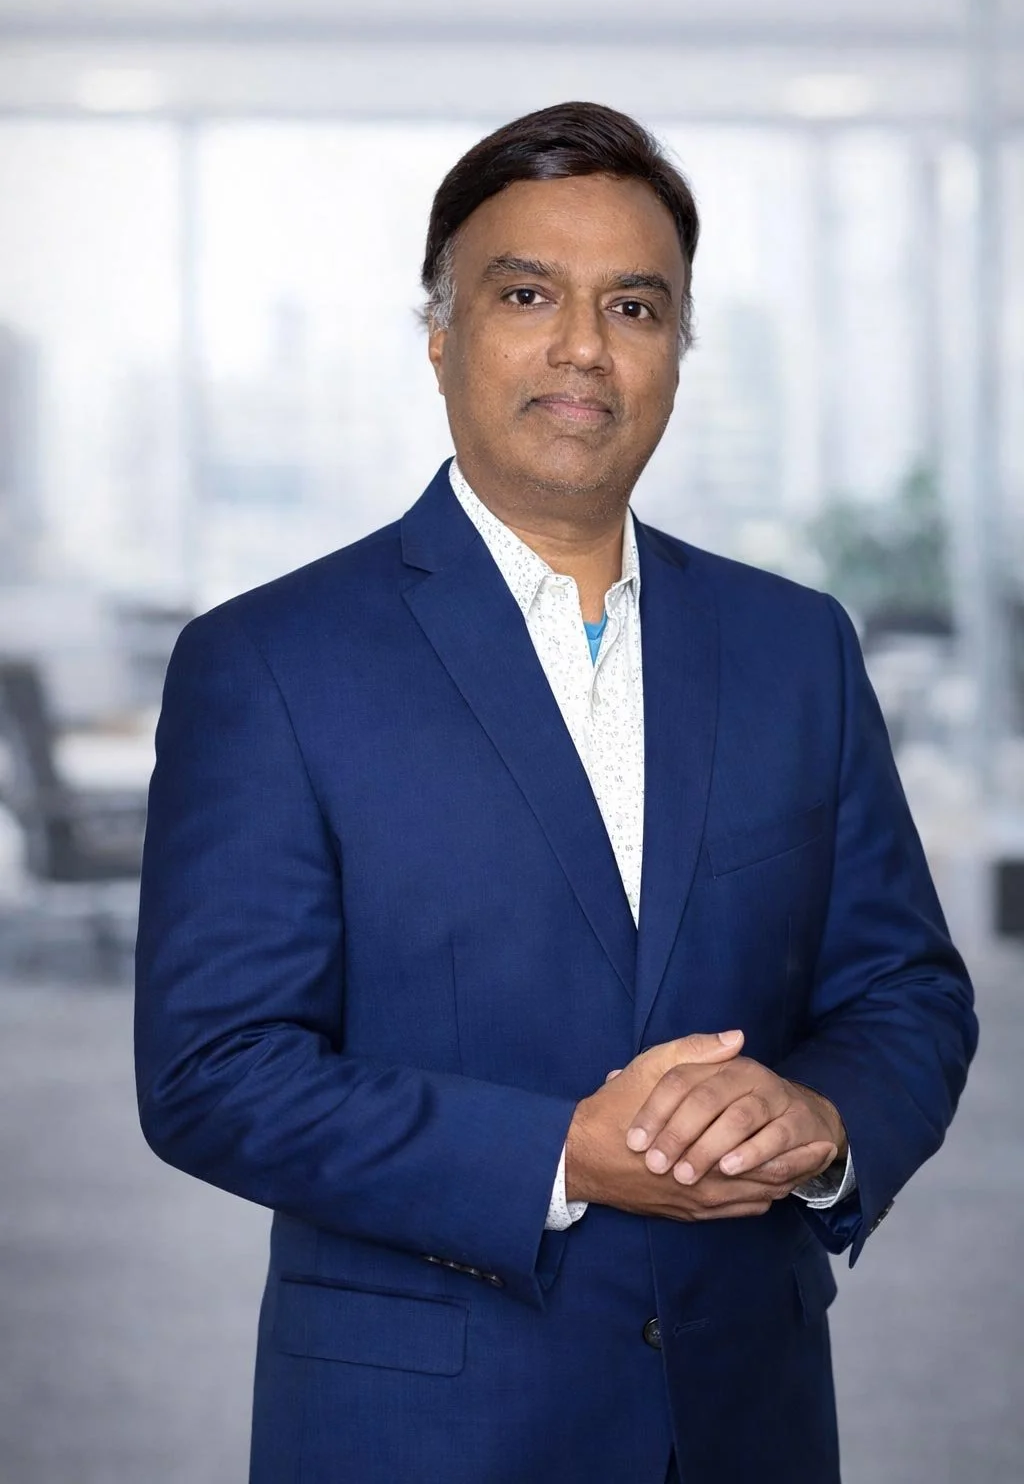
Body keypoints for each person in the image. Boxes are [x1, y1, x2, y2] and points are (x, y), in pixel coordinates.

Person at [134, 102, 978, 1484]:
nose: (584, 345)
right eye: (527, 294)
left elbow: (903, 991)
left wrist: (825, 1126)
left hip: (745, 1415)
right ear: (440, 332)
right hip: (424, 1430)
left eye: (635, 306)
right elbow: (215, 1073)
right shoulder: (270, 662)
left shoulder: (795, 646)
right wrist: (561, 1157)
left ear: (678, 353)